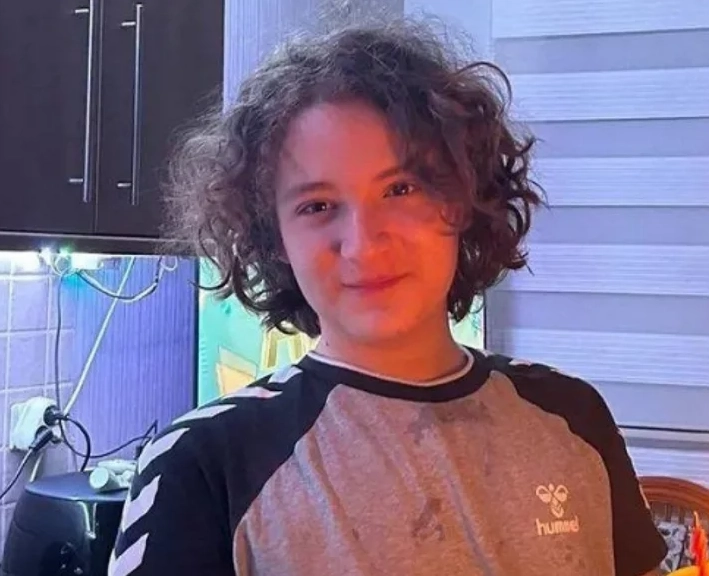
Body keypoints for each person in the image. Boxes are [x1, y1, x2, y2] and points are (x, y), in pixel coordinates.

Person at [108, 11, 667, 576]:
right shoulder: (203, 464)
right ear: (274, 238)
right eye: (318, 206)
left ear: (462, 200)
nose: (363, 244)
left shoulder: (572, 416)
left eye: (401, 189)